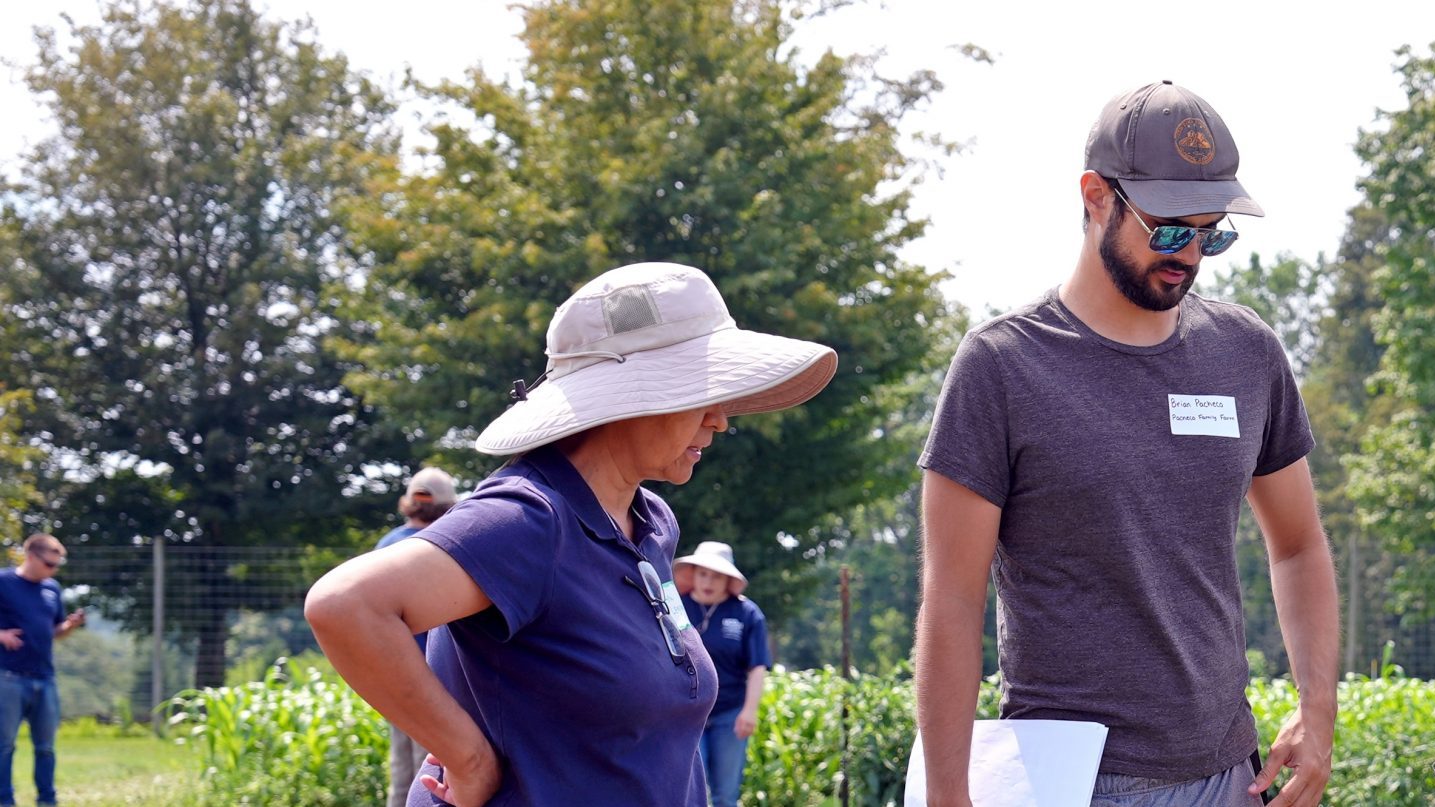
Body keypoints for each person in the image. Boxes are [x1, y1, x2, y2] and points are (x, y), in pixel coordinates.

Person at [913, 80, 1338, 807]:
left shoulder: (1246, 352)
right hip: (1065, 780)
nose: (1190, 254)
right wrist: (947, 793)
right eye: (1171, 227)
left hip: (1229, 776)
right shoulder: (1001, 366)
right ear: (1095, 196)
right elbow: (952, 597)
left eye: (1212, 233)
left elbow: (1298, 543)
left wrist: (1317, 708)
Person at [306, 262, 839, 807]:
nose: (720, 418)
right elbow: (347, 606)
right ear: (628, 398)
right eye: (701, 391)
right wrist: (468, 759)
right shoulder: (528, 519)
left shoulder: (651, 522)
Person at [374, 467, 458, 807]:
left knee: (401, 768)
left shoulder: (387, 544)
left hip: (390, 676)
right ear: (448, 504)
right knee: (434, 770)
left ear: (410, 502)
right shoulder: (442, 546)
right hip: (434, 679)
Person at [673, 541, 768, 807]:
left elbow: (757, 667)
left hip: (730, 715)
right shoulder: (675, 609)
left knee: (725, 795)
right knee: (690, 792)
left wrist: (749, 711)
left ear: (728, 579)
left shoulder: (747, 614)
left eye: (716, 575)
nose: (709, 581)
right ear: (693, 574)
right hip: (686, 715)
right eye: (703, 573)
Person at [0, 534, 84, 807]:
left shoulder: (52, 589)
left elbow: (54, 630)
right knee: (4, 745)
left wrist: (69, 627)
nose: (54, 570)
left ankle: (47, 801)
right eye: (50, 564)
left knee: (46, 747)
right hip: (8, 677)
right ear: (32, 556)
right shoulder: (4, 582)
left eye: (57, 565)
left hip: (45, 678)